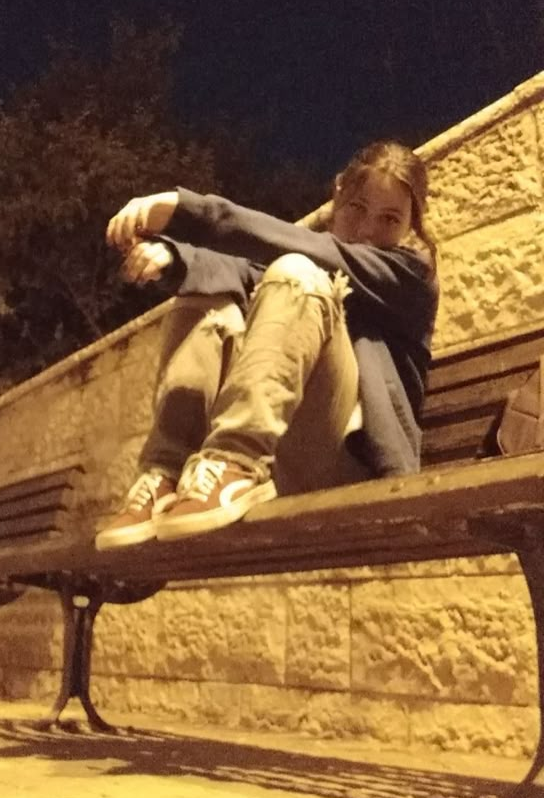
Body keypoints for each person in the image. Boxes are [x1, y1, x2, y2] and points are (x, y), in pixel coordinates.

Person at [95, 140, 439, 550]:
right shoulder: (310, 249)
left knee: (299, 270)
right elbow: (238, 268)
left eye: (389, 219)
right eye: (357, 208)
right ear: (337, 192)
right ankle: (163, 474)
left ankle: (234, 460)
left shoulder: (410, 276)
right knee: (210, 296)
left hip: (350, 468)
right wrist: (175, 257)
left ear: (410, 225)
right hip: (281, 466)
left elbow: (309, 255)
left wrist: (188, 213)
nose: (367, 231)